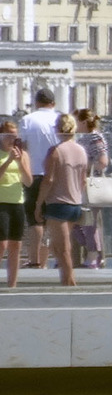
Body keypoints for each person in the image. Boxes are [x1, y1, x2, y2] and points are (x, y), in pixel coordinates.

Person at [34, 112, 87, 287]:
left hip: (58, 202)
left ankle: (70, 283)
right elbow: (83, 181)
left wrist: (39, 203)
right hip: (75, 201)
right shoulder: (81, 151)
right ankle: (65, 280)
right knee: (60, 247)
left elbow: (48, 180)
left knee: (62, 249)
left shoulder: (55, 151)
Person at [20, 87, 59, 268]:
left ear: (36, 102)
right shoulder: (61, 119)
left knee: (35, 218)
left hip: (35, 173)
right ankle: (55, 259)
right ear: (53, 103)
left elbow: (23, 147)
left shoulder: (27, 120)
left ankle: (35, 260)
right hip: (58, 175)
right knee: (55, 218)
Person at [73, 109, 109, 269]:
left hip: (91, 183)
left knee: (90, 222)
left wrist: (82, 165)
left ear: (83, 122)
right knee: (80, 222)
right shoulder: (86, 137)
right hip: (83, 183)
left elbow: (102, 161)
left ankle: (93, 255)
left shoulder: (94, 137)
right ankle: (92, 252)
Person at [0, 120, 34, 287]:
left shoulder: (23, 154)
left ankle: (12, 284)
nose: (11, 140)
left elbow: (28, 181)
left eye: (15, 137)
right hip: (1, 202)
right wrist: (7, 161)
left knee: (16, 244)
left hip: (17, 201)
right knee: (1, 244)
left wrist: (20, 162)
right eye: (8, 136)